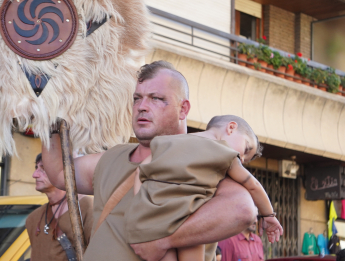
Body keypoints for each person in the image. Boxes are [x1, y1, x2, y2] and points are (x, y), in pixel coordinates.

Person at [42, 61, 276, 261]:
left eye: (156, 98)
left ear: (183, 109)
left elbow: (244, 210)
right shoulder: (114, 155)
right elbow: (61, 174)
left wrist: (163, 241)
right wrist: (48, 120)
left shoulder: (206, 162)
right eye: (137, 98)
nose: (142, 107)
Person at [127, 116, 282, 261]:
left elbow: (141, 170)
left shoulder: (168, 141)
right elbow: (253, 186)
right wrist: (269, 215)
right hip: (189, 219)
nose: (242, 159)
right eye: (246, 149)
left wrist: (141, 207)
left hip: (156, 219)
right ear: (231, 128)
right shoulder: (225, 153)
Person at [25, 153, 94, 261]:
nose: (35, 175)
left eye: (43, 168)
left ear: (63, 171)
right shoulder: (33, 218)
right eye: (36, 168)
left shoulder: (87, 207)